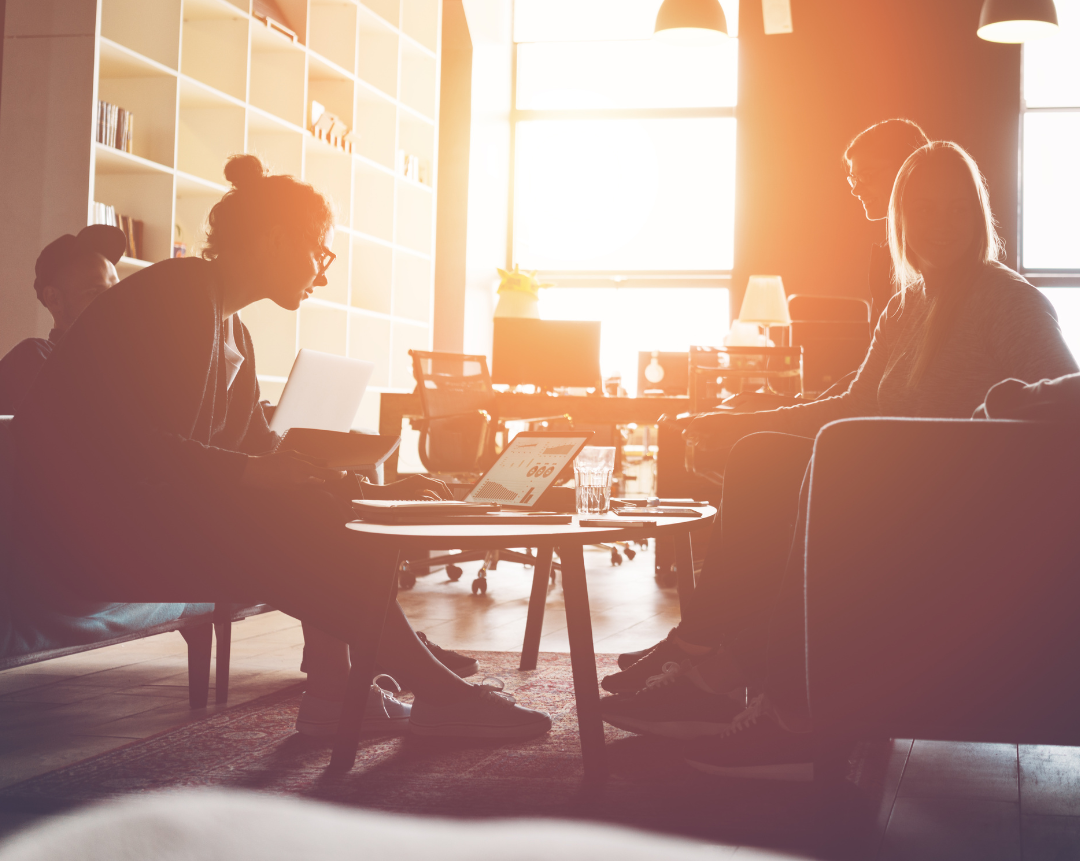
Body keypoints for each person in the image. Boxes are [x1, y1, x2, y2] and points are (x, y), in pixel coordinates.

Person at [11, 155, 550, 741]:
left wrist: (368, 488)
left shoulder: (227, 321)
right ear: (274, 239)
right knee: (308, 521)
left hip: (128, 523)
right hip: (68, 539)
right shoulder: (177, 295)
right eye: (321, 252)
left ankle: (344, 691)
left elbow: (258, 449)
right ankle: (420, 690)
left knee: (333, 513)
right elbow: (128, 447)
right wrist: (260, 474)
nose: (324, 272)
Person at [599, 141, 1078, 777]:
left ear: (978, 216)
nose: (940, 224)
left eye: (956, 210)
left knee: (780, 468)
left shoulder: (1008, 301)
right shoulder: (907, 305)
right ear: (900, 221)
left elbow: (1062, 395)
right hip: (884, 484)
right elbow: (847, 405)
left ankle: (716, 672)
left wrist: (993, 415)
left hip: (951, 505)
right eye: (923, 210)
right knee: (760, 452)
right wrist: (737, 421)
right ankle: (710, 662)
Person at [0, 225, 127, 414]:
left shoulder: (119, 365)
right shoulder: (33, 359)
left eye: (114, 292)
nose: (112, 306)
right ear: (54, 299)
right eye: (95, 294)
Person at [844, 117, 929, 320]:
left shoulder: (935, 257)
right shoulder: (889, 258)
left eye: (865, 175)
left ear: (905, 169)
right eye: (853, 178)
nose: (855, 190)